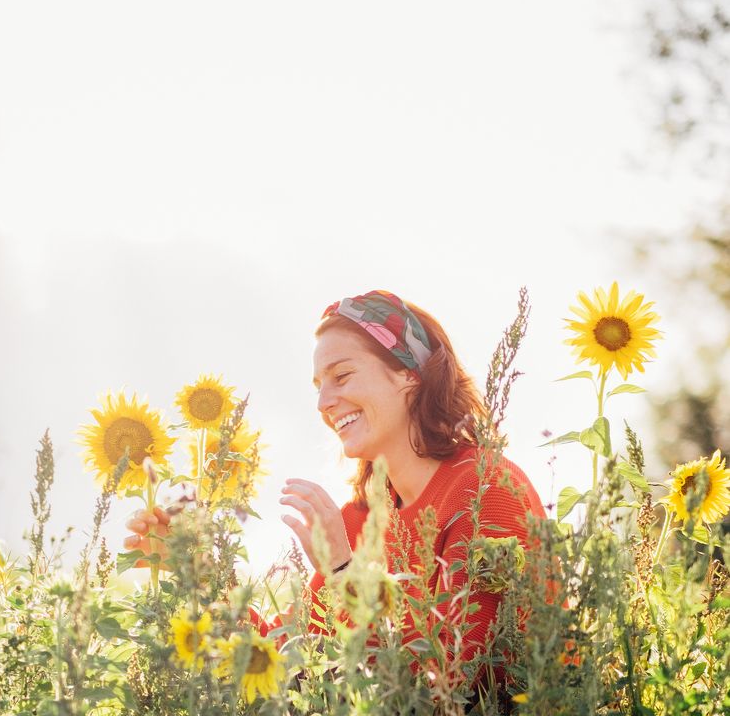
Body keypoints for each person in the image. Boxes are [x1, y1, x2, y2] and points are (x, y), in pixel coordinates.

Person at [127, 289, 547, 679]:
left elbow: (457, 680)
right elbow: (281, 649)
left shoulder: (486, 491)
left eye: (341, 376)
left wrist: (344, 573)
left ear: (409, 375)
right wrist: (196, 570)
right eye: (318, 386)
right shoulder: (359, 520)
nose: (323, 402)